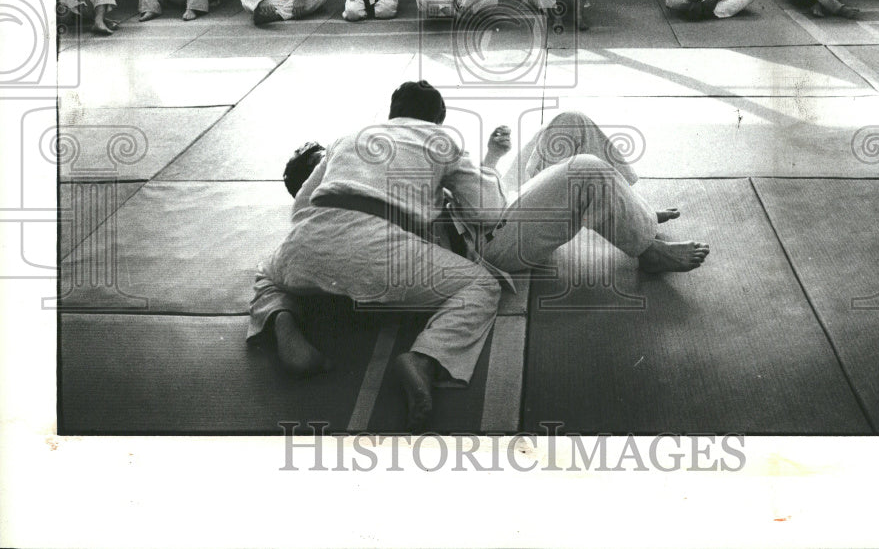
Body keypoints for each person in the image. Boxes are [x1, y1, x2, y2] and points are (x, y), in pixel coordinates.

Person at [249, 90, 708, 432]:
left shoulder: (346, 149)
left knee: (570, 121)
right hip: (487, 238)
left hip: (483, 209)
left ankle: (632, 208)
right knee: (585, 170)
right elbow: (485, 212)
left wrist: (489, 160)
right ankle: (647, 248)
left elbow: (293, 240)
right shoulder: (376, 144)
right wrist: (478, 166)